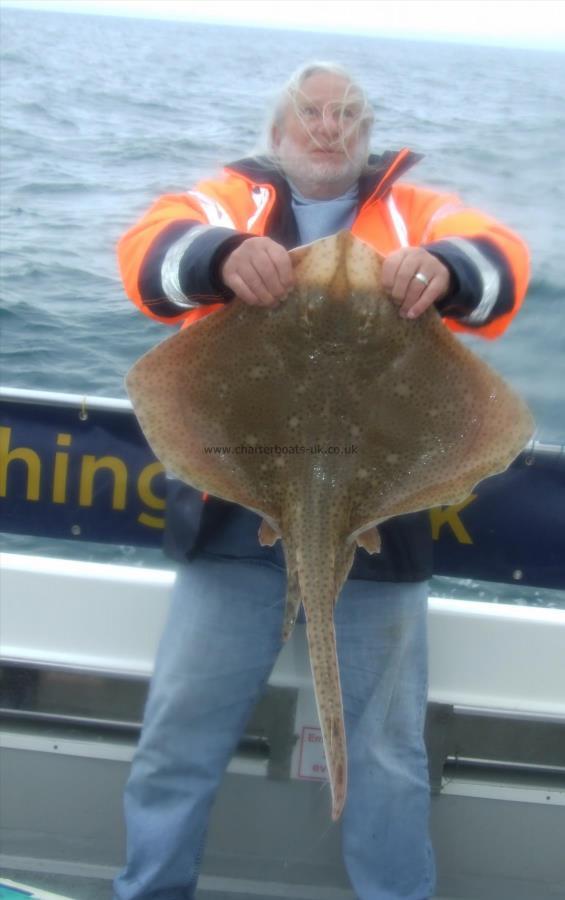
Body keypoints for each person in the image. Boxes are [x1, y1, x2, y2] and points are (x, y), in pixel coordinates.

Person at [113, 62, 529, 900]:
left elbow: (501, 263)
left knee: (385, 750)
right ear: (278, 130)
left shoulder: (416, 207)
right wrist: (222, 257)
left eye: (346, 113)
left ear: (366, 130)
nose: (328, 126)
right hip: (230, 516)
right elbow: (148, 252)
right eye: (311, 112)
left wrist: (447, 268)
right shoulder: (232, 197)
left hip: (381, 521)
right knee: (179, 734)